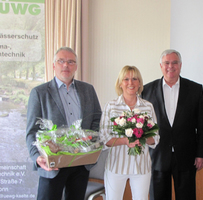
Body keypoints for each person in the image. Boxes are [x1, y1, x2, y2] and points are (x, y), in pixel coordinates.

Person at [26, 46, 102, 200]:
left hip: (81, 163)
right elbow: (32, 131)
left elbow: (97, 119)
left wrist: (90, 143)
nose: (66, 65)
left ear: (76, 66)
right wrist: (36, 156)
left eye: (71, 62)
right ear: (54, 65)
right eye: (61, 61)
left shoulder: (88, 90)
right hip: (52, 165)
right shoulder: (39, 93)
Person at [141, 49, 203, 200]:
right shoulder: (146, 90)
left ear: (180, 65)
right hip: (157, 155)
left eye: (174, 63)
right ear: (161, 66)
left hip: (186, 156)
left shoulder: (195, 89)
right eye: (166, 63)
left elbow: (202, 124)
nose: (170, 66)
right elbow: (142, 125)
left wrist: (201, 153)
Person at [99, 65, 160, 200]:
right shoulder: (111, 106)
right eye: (126, 79)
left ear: (139, 83)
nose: (130, 83)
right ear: (120, 83)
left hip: (141, 167)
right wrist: (125, 141)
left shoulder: (148, 106)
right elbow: (104, 138)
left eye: (134, 79)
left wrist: (143, 136)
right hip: (116, 166)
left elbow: (155, 138)